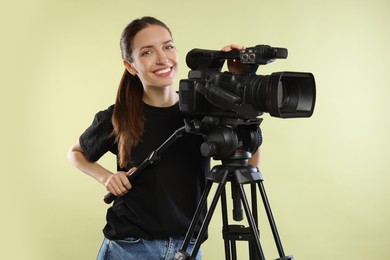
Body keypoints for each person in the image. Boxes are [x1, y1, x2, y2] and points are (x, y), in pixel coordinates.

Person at [67, 16, 260, 260]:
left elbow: (249, 162)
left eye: (168, 46)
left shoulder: (206, 112)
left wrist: (241, 84)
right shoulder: (119, 116)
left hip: (188, 247)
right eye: (147, 52)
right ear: (130, 65)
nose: (162, 58)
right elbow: (75, 153)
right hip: (131, 248)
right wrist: (107, 178)